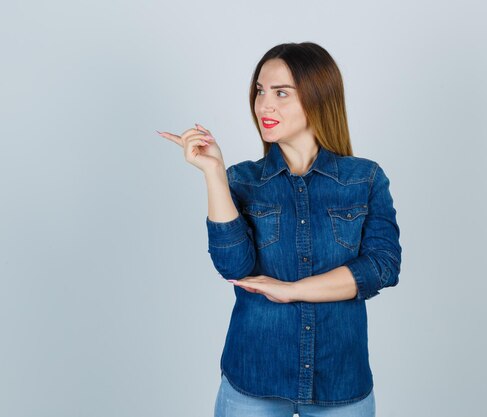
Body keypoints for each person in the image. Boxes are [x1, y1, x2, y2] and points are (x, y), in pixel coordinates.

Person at [157, 42, 401, 417]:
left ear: (318, 97)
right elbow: (233, 267)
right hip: (254, 378)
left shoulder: (364, 179)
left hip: (340, 381)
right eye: (259, 91)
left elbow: (382, 267)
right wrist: (214, 175)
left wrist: (292, 291)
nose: (264, 105)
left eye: (281, 93)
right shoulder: (242, 180)